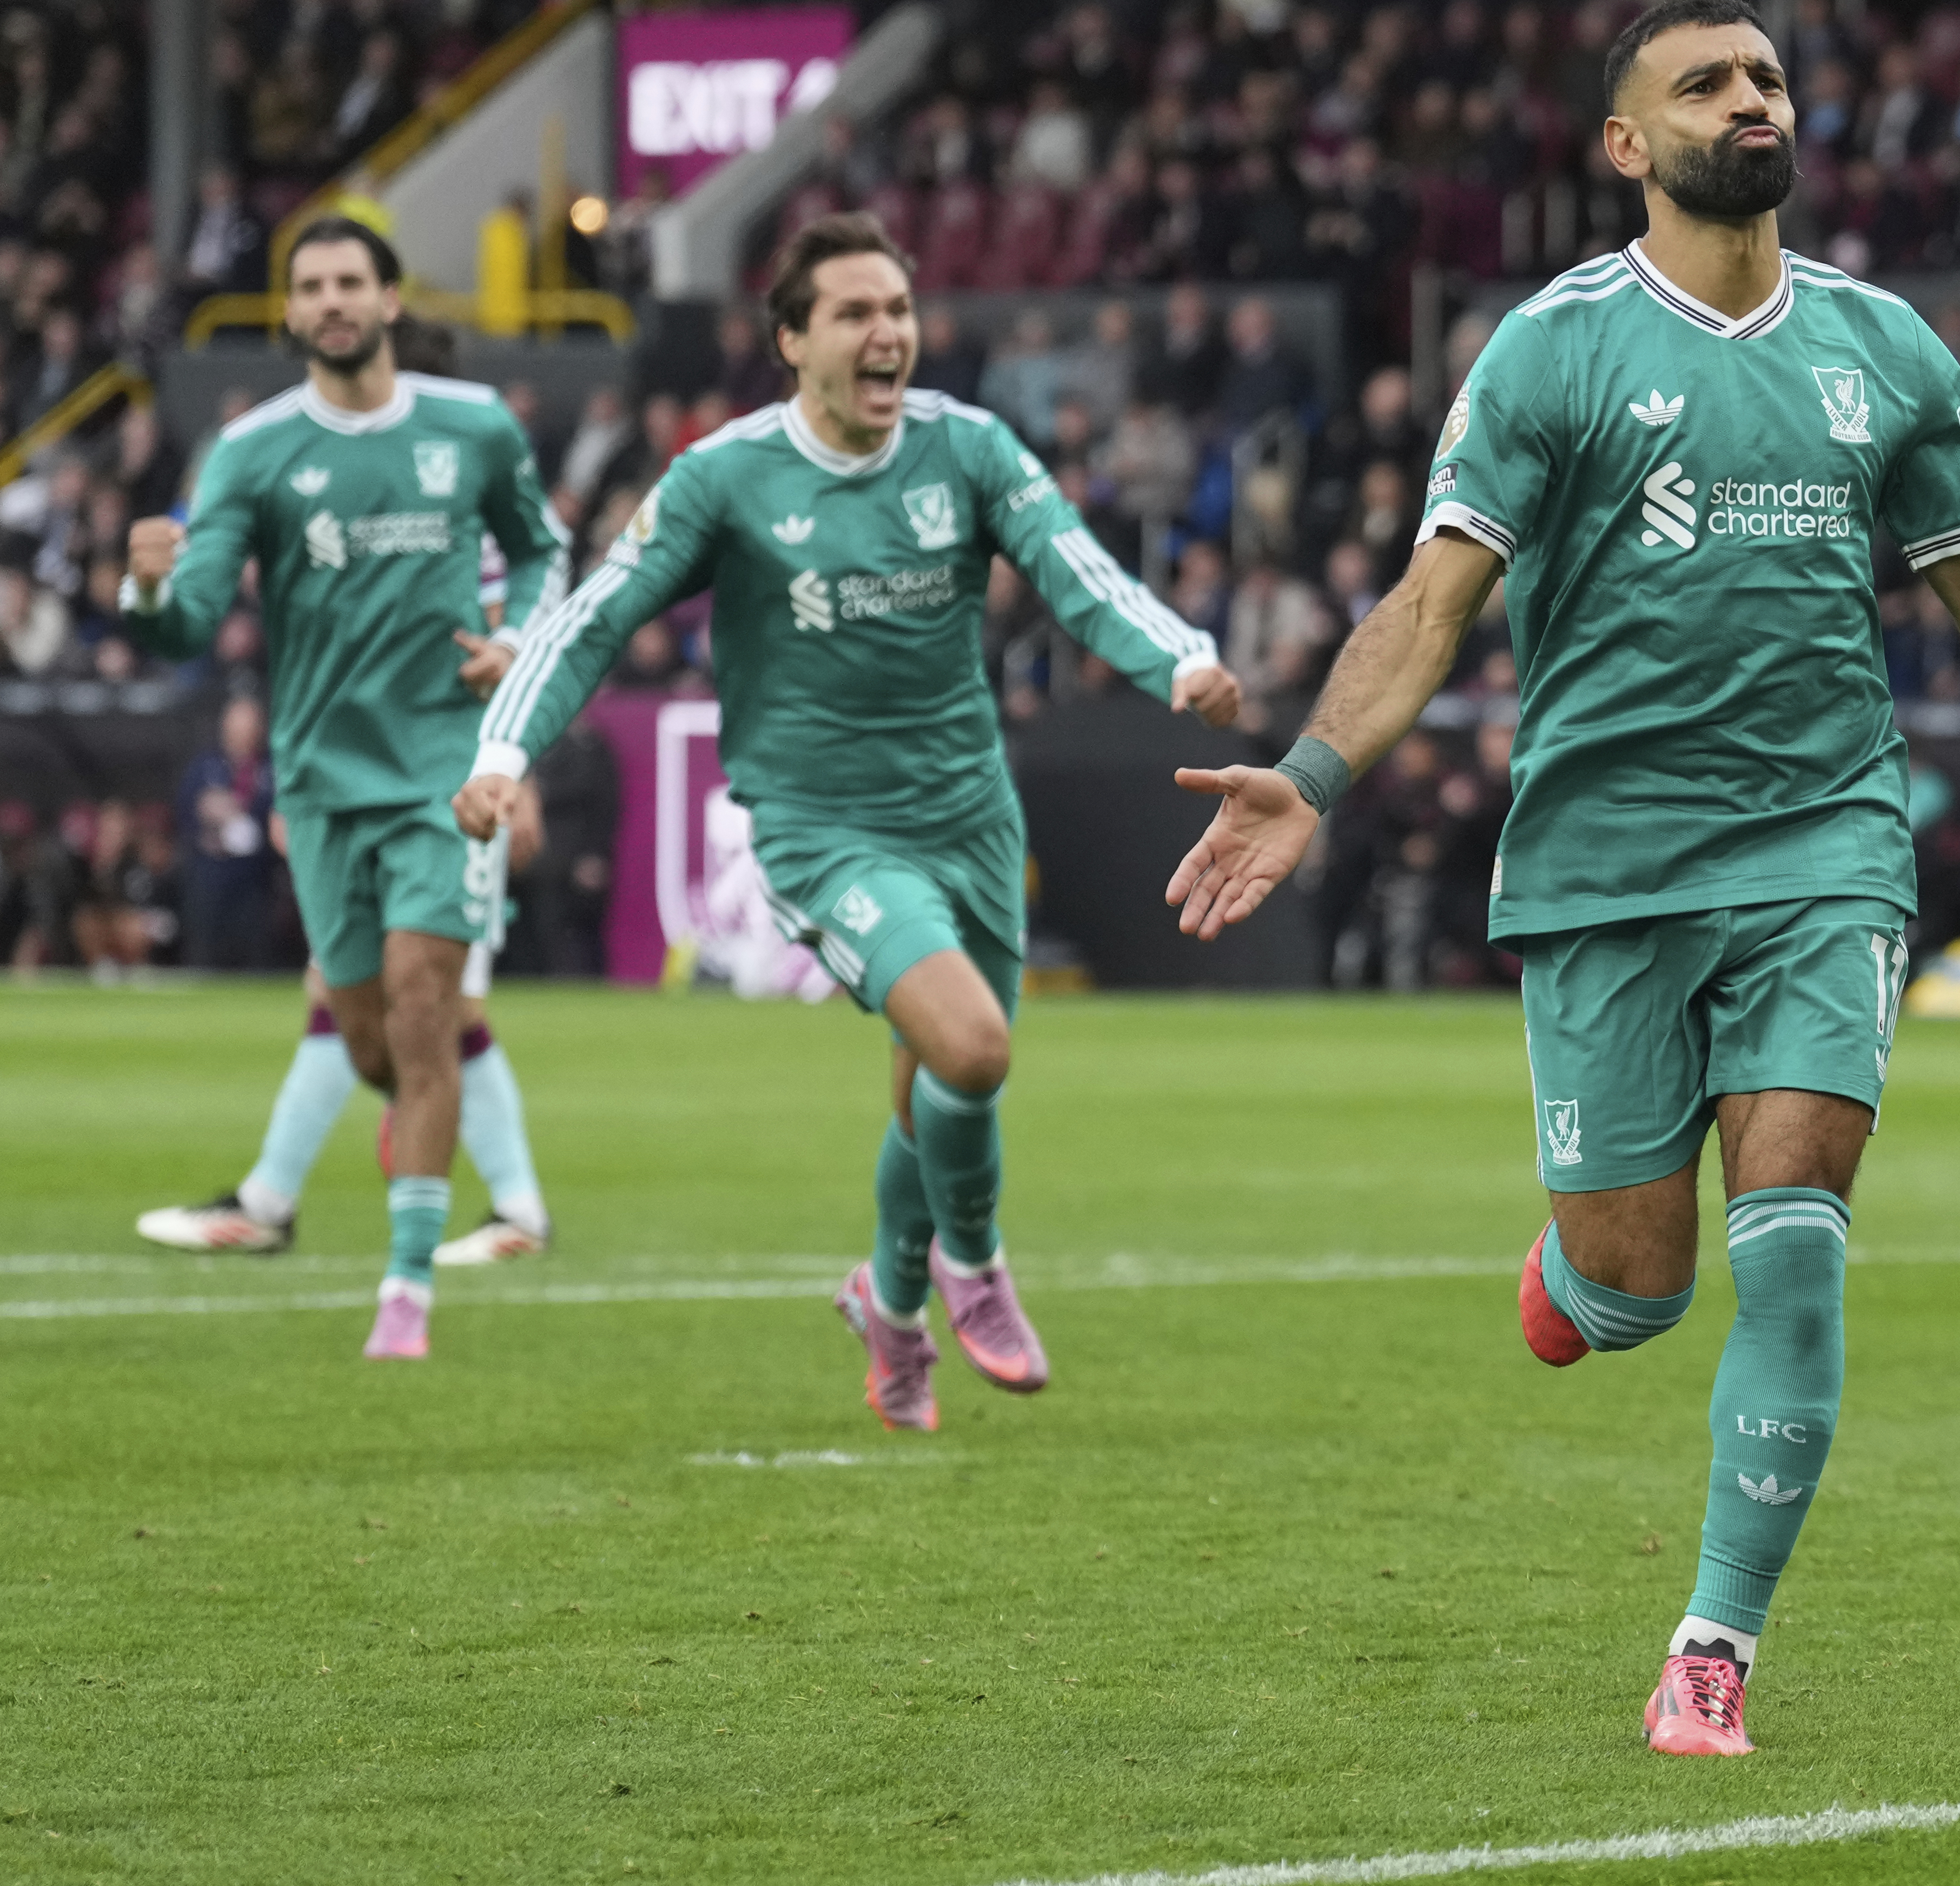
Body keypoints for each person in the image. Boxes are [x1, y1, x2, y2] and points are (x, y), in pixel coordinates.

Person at [1160, 0, 1960, 1759]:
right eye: (1705, 82)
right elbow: (1431, 601)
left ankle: (1712, 1645)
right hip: (1604, 864)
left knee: (1795, 1245)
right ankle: (1580, 1283)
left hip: (1826, 848)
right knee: (1636, 1294)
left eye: (1769, 76)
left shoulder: (1884, 347)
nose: (1752, 99)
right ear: (1628, 146)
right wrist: (1317, 779)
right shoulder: (1552, 348)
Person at [457, 213, 1242, 1431]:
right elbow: (596, 618)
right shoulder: (725, 476)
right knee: (972, 1048)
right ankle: (969, 1267)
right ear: (791, 340)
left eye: (901, 311)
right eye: (856, 314)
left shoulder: (967, 447)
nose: (890, 335)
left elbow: (1073, 564)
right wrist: (504, 751)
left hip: (970, 815)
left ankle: (886, 1302)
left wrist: (1180, 661)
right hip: (825, 829)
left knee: (935, 1085)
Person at [121, 219, 570, 1359]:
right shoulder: (254, 451)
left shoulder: (470, 428)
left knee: (425, 1007)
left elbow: (544, 545)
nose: (330, 300)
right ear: (289, 311)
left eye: (349, 281)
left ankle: (404, 1293)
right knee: (369, 1040)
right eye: (309, 285)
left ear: (386, 297)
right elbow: (192, 612)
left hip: (443, 772)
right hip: (321, 781)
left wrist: (521, 635)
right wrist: (145, 589)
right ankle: (445, 1172)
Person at [136, 789, 555, 1263]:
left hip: (454, 803)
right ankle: (269, 1200)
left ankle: (269, 1201)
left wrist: (520, 783)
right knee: (339, 984)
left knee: (450, 1005)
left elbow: (496, 711)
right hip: (368, 794)